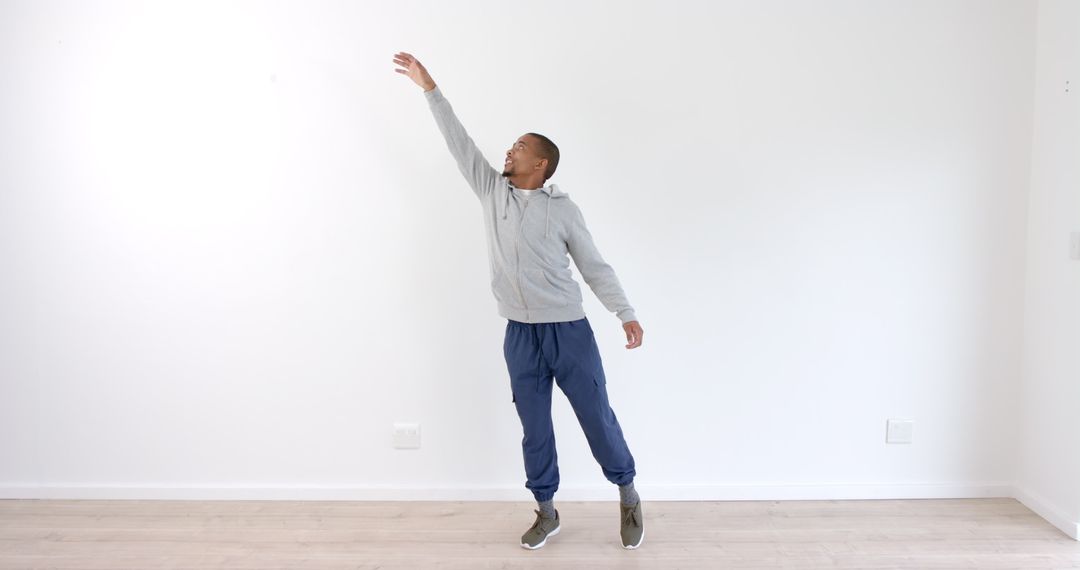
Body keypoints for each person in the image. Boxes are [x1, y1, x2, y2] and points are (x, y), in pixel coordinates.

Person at [392, 51, 645, 550]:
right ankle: (546, 511)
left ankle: (628, 492)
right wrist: (430, 89)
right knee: (534, 429)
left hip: (569, 331)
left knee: (597, 418)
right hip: (519, 334)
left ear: (541, 163)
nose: (508, 152)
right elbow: (457, 141)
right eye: (510, 146)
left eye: (519, 148)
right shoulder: (492, 192)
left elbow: (594, 266)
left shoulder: (564, 210)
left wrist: (626, 312)